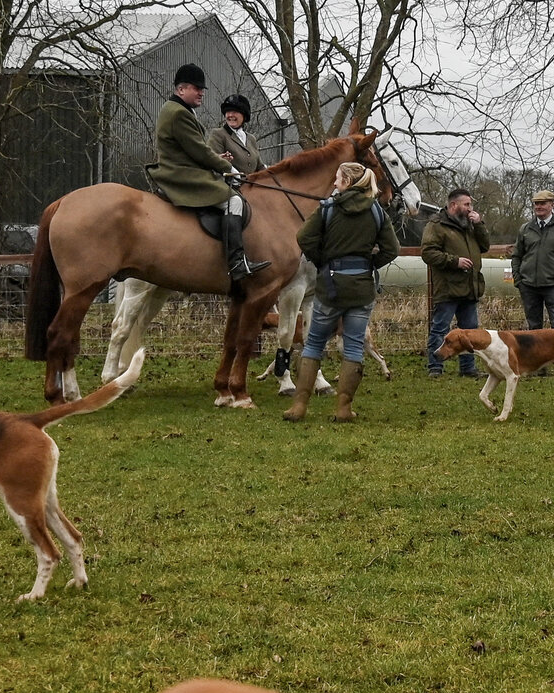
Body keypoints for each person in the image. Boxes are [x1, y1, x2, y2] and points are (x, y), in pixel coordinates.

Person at [283, 160, 399, 423]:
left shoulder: (327, 209)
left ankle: (299, 406)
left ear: (346, 182)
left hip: (330, 285)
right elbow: (392, 249)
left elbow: (303, 238)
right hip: (361, 287)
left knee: (313, 343)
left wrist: (323, 261)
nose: (334, 183)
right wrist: (369, 264)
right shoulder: (377, 212)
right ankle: (344, 409)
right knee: (354, 346)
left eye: (337, 179)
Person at [146, 63, 265, 287]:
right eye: (196, 88)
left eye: (202, 88)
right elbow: (200, 151)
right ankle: (237, 262)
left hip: (186, 169)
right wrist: (228, 169)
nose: (201, 92)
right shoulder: (178, 113)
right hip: (182, 174)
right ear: (181, 89)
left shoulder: (179, 110)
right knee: (234, 200)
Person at [420, 188, 491, 377]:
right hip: (448, 288)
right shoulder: (436, 225)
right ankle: (435, 368)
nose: (470, 209)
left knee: (470, 331)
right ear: (453, 205)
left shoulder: (470, 224)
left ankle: (468, 368)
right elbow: (428, 253)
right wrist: (454, 261)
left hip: (470, 286)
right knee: (440, 329)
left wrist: (479, 225)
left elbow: (485, 246)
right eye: (466, 204)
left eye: (471, 205)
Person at [509, 190, 554, 330]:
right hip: (528, 286)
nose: (538, 207)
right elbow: (517, 256)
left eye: (542, 203)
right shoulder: (525, 228)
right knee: (534, 328)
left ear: (552, 205)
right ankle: (536, 353)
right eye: (536, 204)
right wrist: (518, 281)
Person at [207, 94, 262, 176]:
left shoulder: (251, 139)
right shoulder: (218, 134)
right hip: (229, 185)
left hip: (252, 186)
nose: (230, 115)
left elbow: (260, 167)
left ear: (244, 115)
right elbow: (212, 162)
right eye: (228, 112)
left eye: (235, 112)